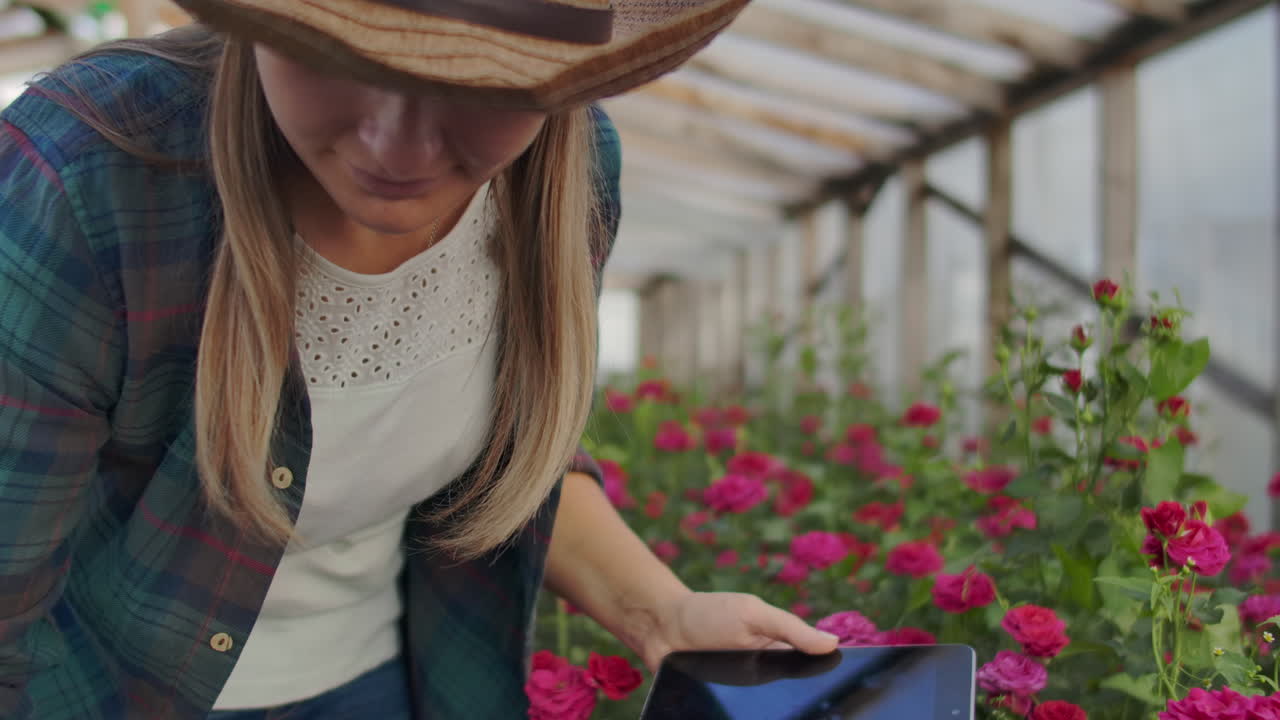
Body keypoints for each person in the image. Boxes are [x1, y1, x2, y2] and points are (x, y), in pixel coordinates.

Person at [0, 0, 839, 717]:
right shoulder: (97, 172)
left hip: (394, 675)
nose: (397, 148)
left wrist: (662, 614)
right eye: (339, 55)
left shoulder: (565, 182)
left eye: (481, 80)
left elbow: (510, 460)